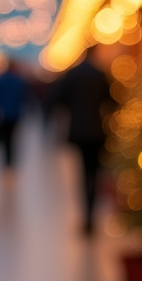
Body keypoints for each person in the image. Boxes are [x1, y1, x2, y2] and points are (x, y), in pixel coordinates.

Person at [53, 48, 113, 235]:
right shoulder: (100, 74)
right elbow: (111, 101)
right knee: (95, 172)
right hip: (97, 130)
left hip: (78, 130)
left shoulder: (73, 74)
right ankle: (91, 213)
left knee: (82, 172)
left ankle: (85, 215)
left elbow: (60, 100)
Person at [0, 62, 26, 171]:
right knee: (12, 138)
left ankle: (5, 160)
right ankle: (10, 160)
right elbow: (23, 96)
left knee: (4, 137)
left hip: (2, 114)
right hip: (14, 114)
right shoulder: (17, 81)